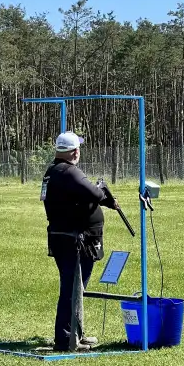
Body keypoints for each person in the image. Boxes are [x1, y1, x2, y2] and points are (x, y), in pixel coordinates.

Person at [41, 131, 116, 352]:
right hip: (75, 240)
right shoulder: (69, 171)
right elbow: (95, 194)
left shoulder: (53, 171)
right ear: (75, 152)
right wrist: (103, 190)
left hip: (63, 237)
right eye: (78, 149)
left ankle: (75, 333)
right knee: (72, 289)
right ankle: (66, 339)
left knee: (74, 288)